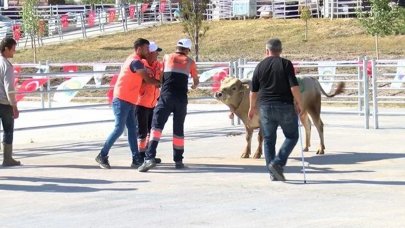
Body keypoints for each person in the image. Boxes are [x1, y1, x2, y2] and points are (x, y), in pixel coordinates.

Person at [96, 38, 160, 169]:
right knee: (119, 129)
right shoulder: (135, 62)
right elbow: (147, 80)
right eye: (147, 49)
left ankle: (136, 158)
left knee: (132, 130)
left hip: (129, 100)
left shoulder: (137, 60)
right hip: (121, 100)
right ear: (139, 49)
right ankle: (102, 155)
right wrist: (162, 83)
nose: (149, 51)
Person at [138, 38, 199, 172]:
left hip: (166, 97)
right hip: (181, 99)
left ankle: (149, 158)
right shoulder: (190, 62)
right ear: (188, 50)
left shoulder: (166, 57)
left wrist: (162, 83)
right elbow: (195, 81)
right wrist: (193, 86)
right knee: (178, 130)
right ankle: (178, 160)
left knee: (156, 127)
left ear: (177, 47)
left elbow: (160, 77)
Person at [248, 38, 303, 181]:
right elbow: (294, 87)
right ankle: (277, 163)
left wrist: (251, 107)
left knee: (268, 140)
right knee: (292, 136)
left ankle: (273, 173)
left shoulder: (259, 66)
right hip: (285, 106)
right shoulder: (286, 64)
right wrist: (299, 103)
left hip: (265, 107)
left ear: (267, 50)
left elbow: (253, 92)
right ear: (280, 50)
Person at [136, 41, 163, 164]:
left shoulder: (158, 65)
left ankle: (148, 155)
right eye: (156, 51)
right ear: (150, 52)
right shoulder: (142, 65)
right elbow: (146, 81)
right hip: (141, 103)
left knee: (150, 130)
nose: (158, 54)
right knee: (142, 131)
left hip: (153, 103)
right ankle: (140, 155)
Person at [0, 37, 20, 166]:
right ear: (6, 49)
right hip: (4, 103)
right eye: (13, 49)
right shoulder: (6, 65)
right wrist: (14, 105)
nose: (14, 52)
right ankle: (7, 158)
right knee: (8, 130)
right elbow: (10, 88)